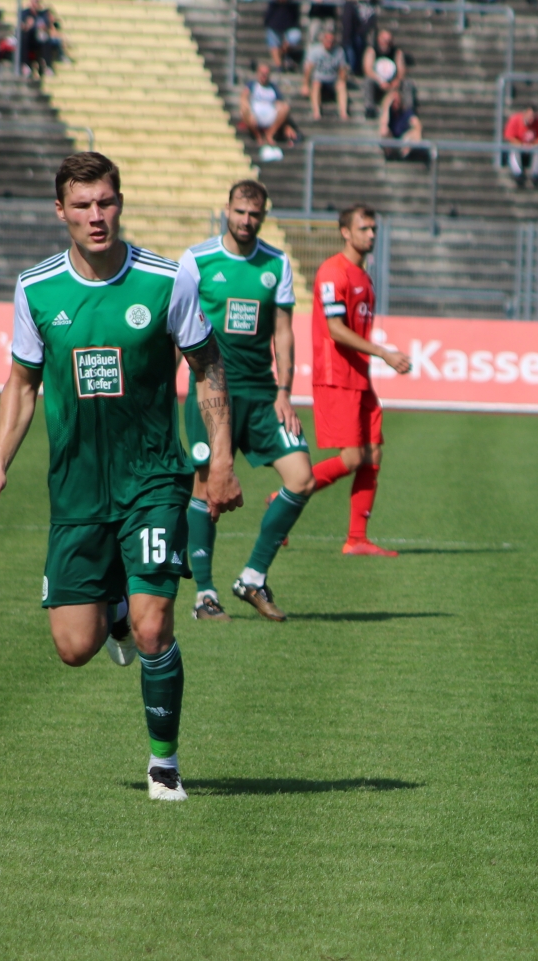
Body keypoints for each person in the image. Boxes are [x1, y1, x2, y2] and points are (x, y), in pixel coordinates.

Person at [0, 152, 237, 802]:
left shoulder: (166, 280)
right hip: (77, 488)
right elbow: (22, 383)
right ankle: (112, 605)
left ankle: (164, 765)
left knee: (155, 628)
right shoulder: (36, 289)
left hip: (152, 477)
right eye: (84, 205)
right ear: (60, 211)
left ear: (122, 202)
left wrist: (221, 457)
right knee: (73, 647)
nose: (98, 216)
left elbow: (207, 366)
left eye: (108, 202)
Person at [174, 182, 308, 624]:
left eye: (254, 214)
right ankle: (204, 595)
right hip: (212, 392)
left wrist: (285, 390)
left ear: (263, 215)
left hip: (264, 392)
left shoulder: (277, 263)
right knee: (207, 488)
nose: (246, 221)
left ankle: (252, 576)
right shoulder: (197, 260)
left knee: (301, 476)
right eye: (239, 211)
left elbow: (284, 331)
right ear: (226, 210)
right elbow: (177, 327)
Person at [304, 205, 411, 556]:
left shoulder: (363, 275)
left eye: (374, 229)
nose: (372, 235)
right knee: (351, 458)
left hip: (359, 377)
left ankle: (357, 539)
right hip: (336, 376)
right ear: (345, 232)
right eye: (364, 228)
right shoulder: (333, 272)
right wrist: (383, 352)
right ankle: (286, 495)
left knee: (374, 453)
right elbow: (335, 329)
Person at [239, 64, 293, 161]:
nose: (264, 76)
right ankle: (258, 137)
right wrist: (249, 110)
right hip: (255, 115)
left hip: (270, 115)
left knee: (285, 107)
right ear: (257, 74)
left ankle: (269, 135)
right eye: (262, 74)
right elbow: (244, 97)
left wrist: (287, 125)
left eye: (266, 74)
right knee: (243, 110)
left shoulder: (273, 88)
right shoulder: (252, 85)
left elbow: (281, 103)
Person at [302, 27, 350, 121]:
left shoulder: (339, 51)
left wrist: (343, 78)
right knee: (316, 84)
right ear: (323, 40)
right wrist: (305, 85)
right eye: (327, 41)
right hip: (318, 78)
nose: (329, 43)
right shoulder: (315, 51)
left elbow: (342, 69)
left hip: (332, 79)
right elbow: (308, 69)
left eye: (331, 41)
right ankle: (316, 112)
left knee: (342, 85)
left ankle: (343, 112)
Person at [503, 102, 538, 185]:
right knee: (514, 149)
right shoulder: (515, 119)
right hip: (519, 147)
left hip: (531, 148)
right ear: (524, 113)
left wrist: (532, 144)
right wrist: (521, 145)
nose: (531, 119)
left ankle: (536, 175)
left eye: (533, 116)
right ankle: (517, 173)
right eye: (530, 116)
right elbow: (509, 137)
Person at [377, 82, 422, 157]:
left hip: (403, 140)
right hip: (392, 139)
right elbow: (383, 126)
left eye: (397, 100)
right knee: (384, 131)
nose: (396, 103)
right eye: (394, 101)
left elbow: (416, 123)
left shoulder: (406, 112)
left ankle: (406, 154)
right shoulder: (388, 113)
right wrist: (387, 106)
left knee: (415, 132)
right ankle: (389, 154)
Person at [365, 27, 404, 106]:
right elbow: (368, 70)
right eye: (384, 40)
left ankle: (408, 110)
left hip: (392, 82)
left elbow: (401, 71)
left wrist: (396, 81)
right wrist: (380, 81)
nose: (386, 42)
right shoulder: (372, 51)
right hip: (377, 82)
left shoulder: (396, 52)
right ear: (378, 39)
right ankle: (369, 107)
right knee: (368, 81)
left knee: (407, 83)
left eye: (388, 40)